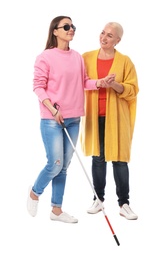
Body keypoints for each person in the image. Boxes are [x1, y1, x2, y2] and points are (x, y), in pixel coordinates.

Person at [27, 16, 115, 223]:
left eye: (73, 26)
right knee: (55, 163)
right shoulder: (45, 57)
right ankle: (34, 192)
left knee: (64, 166)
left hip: (74, 118)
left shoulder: (77, 57)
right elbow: (38, 86)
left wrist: (101, 82)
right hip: (52, 119)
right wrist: (52, 108)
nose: (71, 29)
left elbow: (84, 82)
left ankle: (56, 210)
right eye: (66, 26)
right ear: (55, 31)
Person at [80, 22, 139, 220]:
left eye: (110, 35)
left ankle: (124, 203)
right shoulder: (86, 58)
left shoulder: (125, 61)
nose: (104, 38)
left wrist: (114, 84)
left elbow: (132, 91)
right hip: (94, 116)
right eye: (103, 33)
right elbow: (78, 82)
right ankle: (98, 199)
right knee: (98, 158)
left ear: (118, 41)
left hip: (117, 118)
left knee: (120, 160)